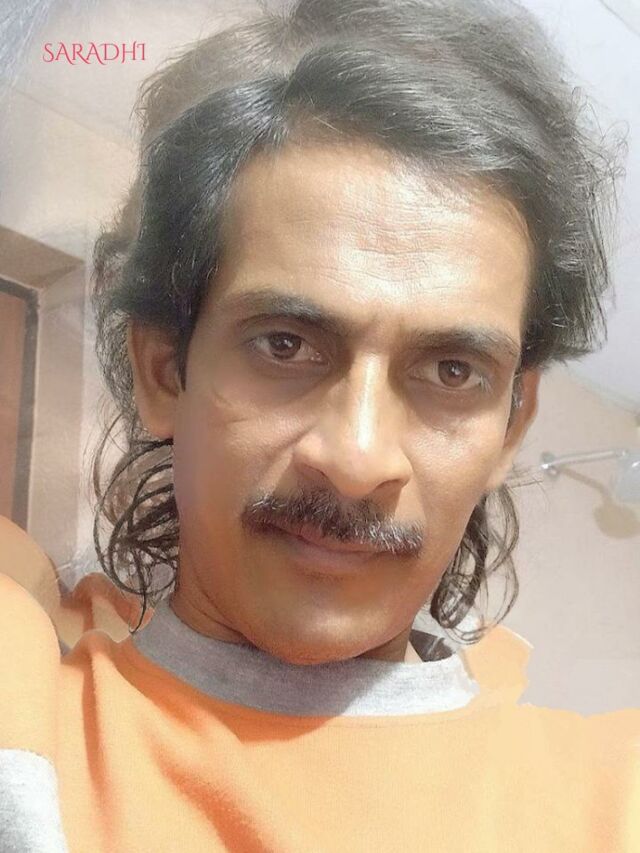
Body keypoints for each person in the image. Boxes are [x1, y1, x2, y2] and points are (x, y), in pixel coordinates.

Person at [1, 0, 638, 850]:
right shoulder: (30, 725)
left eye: (452, 371)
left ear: (512, 424)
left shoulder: (611, 792)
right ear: (165, 370)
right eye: (286, 343)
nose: (357, 458)